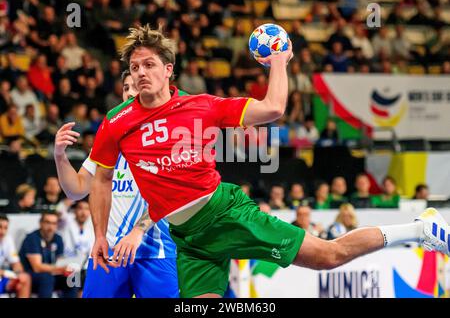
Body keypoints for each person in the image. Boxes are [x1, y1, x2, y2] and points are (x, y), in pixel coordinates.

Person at [89, 25, 450, 298]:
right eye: (134, 66)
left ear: (168, 70)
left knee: (329, 256)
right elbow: (101, 180)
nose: (140, 72)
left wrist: (279, 60)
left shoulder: (202, 106)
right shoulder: (116, 121)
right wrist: (101, 235)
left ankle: (420, 229)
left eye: (149, 64)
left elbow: (273, 108)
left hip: (226, 215)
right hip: (189, 239)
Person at [54, 69, 179, 298]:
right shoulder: (107, 139)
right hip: (108, 252)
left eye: (136, 87)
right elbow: (76, 190)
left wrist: (137, 232)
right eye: (125, 88)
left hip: (155, 253)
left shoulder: (167, 140)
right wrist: (60, 156)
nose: (130, 93)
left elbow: (169, 197)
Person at [18, 211, 78, 298]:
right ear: (41, 223)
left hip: (52, 274)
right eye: (47, 222)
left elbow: (59, 261)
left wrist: (67, 268)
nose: (50, 227)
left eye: (54, 223)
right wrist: (60, 269)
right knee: (47, 278)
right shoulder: (32, 238)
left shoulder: (58, 238)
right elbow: (37, 267)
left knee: (74, 276)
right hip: (32, 276)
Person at [0, 214, 31, 298]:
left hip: (1, 278)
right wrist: (6, 273)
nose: (2, 231)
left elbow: (16, 263)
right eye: (0, 227)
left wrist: (18, 275)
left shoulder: (7, 239)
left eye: (5, 228)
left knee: (24, 278)